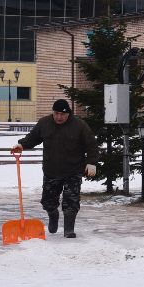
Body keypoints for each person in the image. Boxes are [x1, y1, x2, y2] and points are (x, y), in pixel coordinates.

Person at [11, 98, 98, 238]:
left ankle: (69, 229)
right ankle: (53, 215)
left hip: (73, 170)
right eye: (56, 113)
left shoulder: (79, 125)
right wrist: (21, 145)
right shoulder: (44, 123)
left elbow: (92, 145)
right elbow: (32, 138)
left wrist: (91, 162)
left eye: (62, 114)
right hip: (52, 170)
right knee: (48, 201)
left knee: (71, 200)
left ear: (68, 114)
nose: (59, 117)